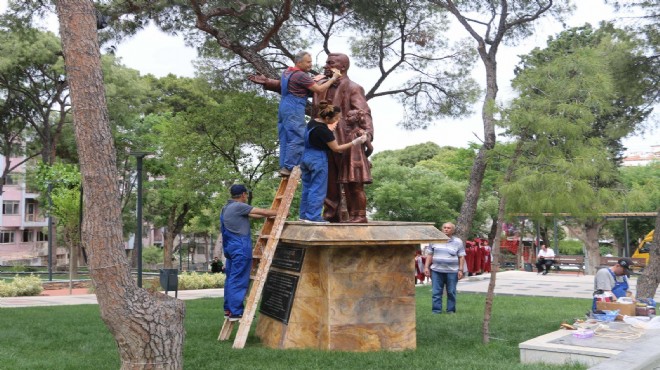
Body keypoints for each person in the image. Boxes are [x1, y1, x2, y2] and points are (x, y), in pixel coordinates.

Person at [248, 51, 341, 177]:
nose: (310, 65)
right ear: (299, 62)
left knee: (285, 137)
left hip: (284, 106)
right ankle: (291, 167)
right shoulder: (301, 75)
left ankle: (284, 167)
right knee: (297, 137)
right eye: (308, 62)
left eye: (311, 62)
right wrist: (334, 78)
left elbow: (297, 88)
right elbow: (318, 90)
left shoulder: (287, 72)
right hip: (294, 107)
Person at [311, 53, 374, 223]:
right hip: (323, 142)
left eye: (330, 63)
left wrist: (367, 135)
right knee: (329, 182)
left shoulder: (354, 88)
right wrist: (270, 83)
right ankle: (331, 215)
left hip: (346, 141)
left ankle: (358, 215)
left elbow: (364, 113)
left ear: (342, 67)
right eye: (326, 63)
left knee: (352, 181)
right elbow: (295, 86)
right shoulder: (321, 86)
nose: (325, 66)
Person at [299, 101, 367, 223]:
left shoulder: (313, 123)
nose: (338, 120)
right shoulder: (324, 131)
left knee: (307, 187)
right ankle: (313, 217)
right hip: (317, 159)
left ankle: (304, 216)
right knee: (318, 188)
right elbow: (336, 148)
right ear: (327, 117)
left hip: (305, 157)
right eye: (336, 118)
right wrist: (355, 142)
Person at [220, 184, 278, 321]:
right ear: (243, 194)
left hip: (230, 247)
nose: (246, 196)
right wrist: (280, 212)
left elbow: (254, 215)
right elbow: (263, 211)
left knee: (230, 278)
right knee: (239, 279)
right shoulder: (239, 206)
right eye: (246, 194)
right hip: (240, 246)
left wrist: (268, 215)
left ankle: (229, 310)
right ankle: (236, 312)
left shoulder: (227, 208)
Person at [424, 222, 466, 314]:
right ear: (441, 229)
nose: (446, 229)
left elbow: (461, 256)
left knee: (451, 292)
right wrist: (426, 267)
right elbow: (429, 254)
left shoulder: (458, 241)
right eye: (444, 227)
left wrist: (461, 270)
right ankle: (436, 311)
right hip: (436, 271)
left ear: (453, 230)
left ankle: (450, 311)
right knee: (436, 292)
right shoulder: (434, 240)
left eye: (449, 228)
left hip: (452, 271)